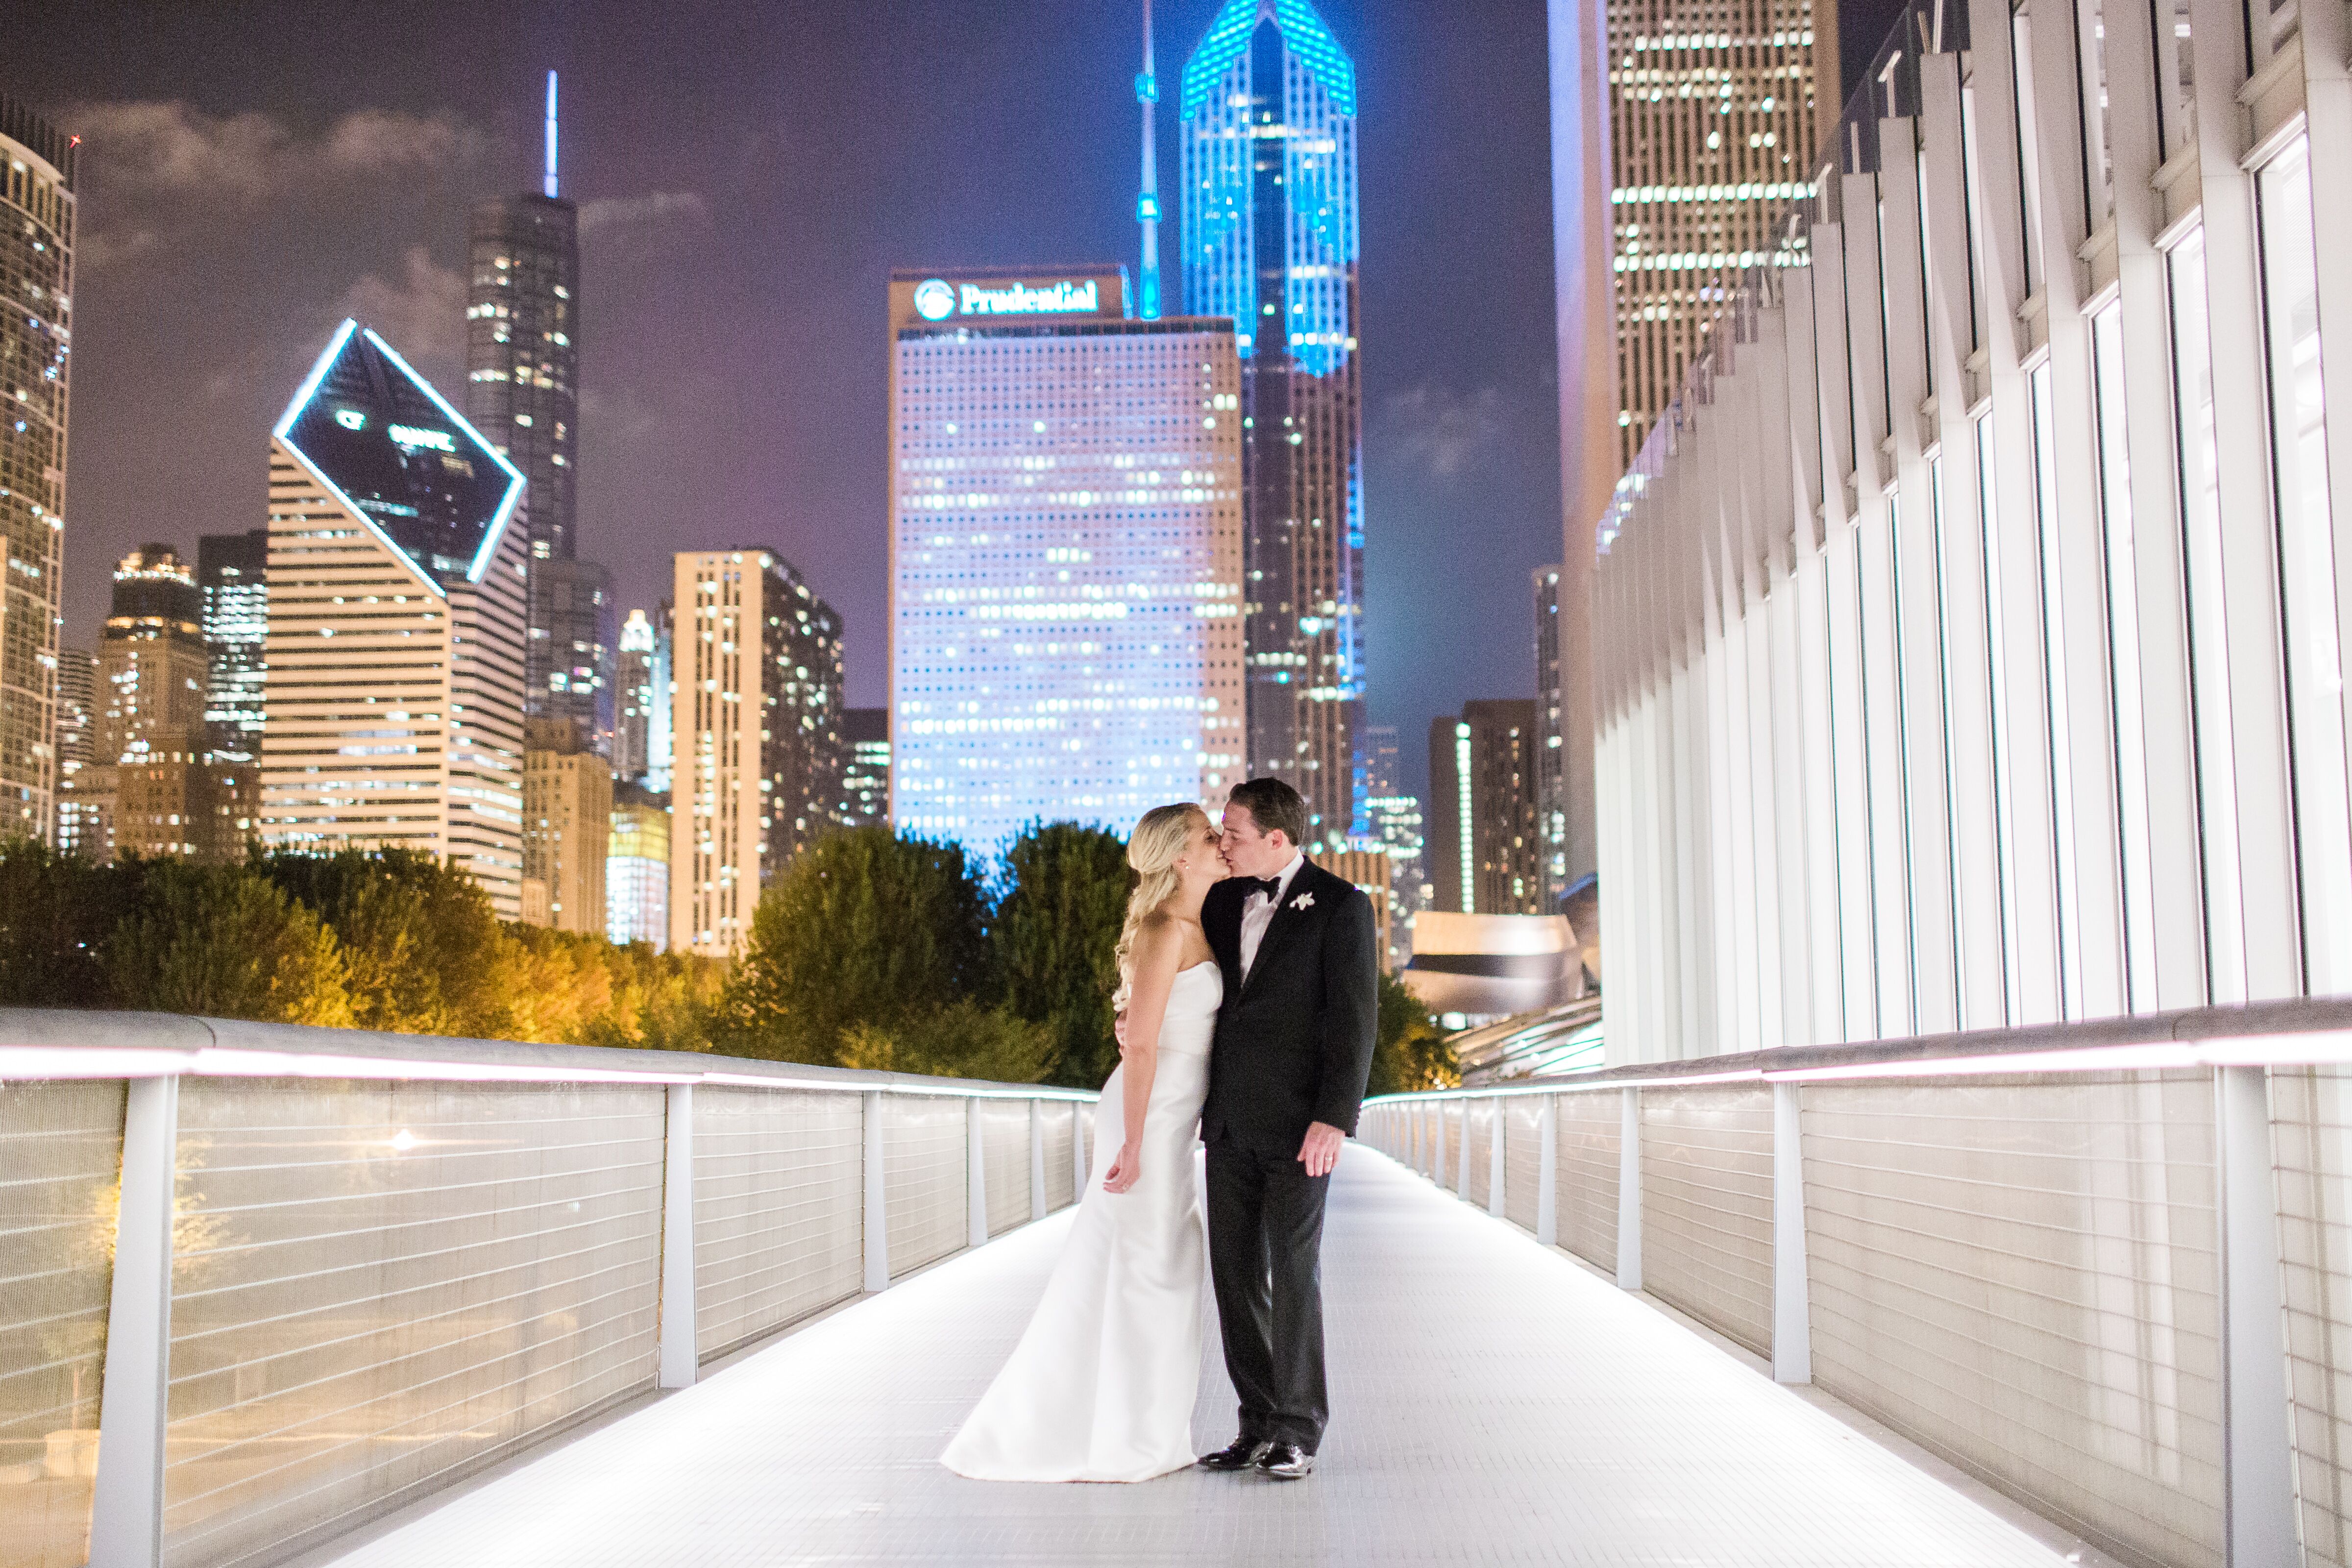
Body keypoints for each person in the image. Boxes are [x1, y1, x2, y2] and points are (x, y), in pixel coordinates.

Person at [940, 803, 1228, 1482]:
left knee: (1160, 1268)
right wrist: (1130, 1144)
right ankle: (1128, 1440)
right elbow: (1145, 1050)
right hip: (1148, 1120)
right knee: (1147, 1271)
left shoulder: (1196, 924)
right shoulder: (1164, 930)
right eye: (1208, 836)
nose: (1220, 843)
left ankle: (1145, 1431)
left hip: (1170, 1122)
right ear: (1180, 857)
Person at [1193, 776, 1379, 1481]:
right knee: (1235, 1275)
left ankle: (1299, 1429)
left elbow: (1354, 1021)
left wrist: (1336, 1117)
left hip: (1303, 1128)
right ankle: (1257, 1422)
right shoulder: (1220, 900)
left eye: (1232, 833)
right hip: (1229, 1124)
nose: (1222, 842)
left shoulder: (1340, 906)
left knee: (1294, 1272)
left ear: (1277, 838)